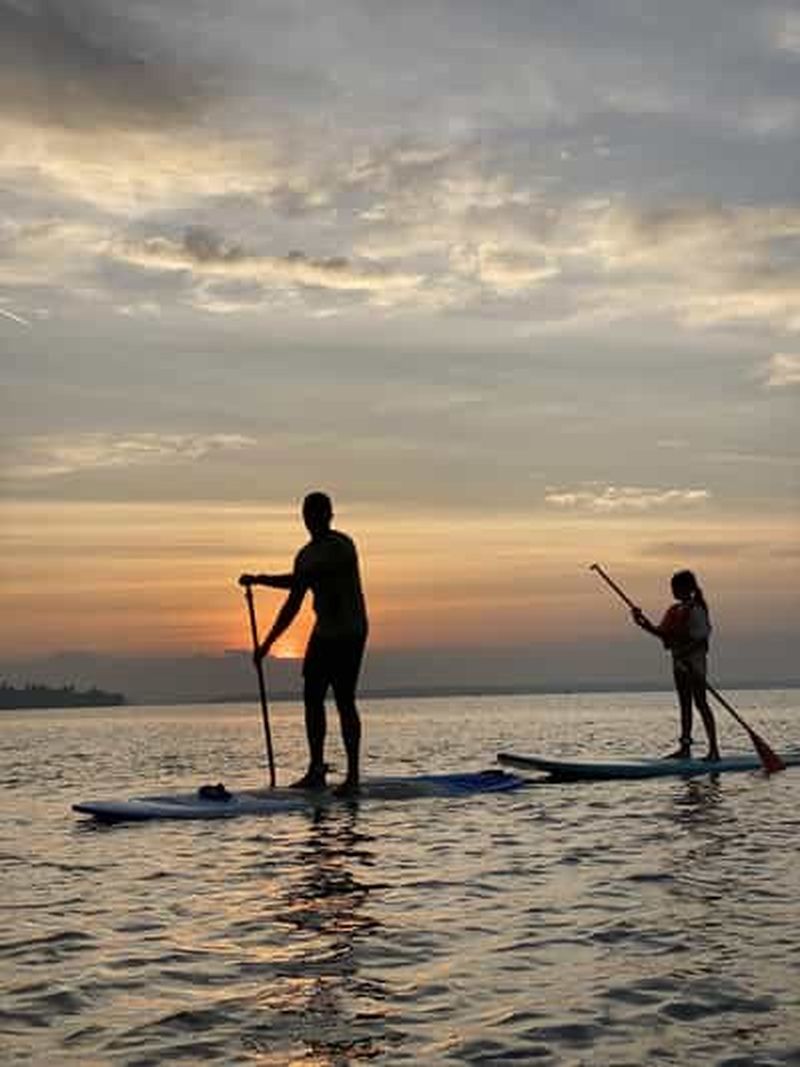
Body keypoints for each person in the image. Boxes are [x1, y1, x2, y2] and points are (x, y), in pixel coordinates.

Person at [239, 492, 368, 796]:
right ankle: (316, 770)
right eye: (307, 515)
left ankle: (353, 777)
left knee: (344, 700)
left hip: (350, 632)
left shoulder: (341, 546)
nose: (312, 520)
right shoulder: (304, 554)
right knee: (312, 697)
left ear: (329, 515)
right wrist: (267, 644)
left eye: (318, 514)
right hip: (323, 632)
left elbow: (301, 580)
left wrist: (259, 579)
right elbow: (293, 604)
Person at [631, 570, 720, 761]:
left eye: (675, 587)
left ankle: (714, 750)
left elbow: (702, 638)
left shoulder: (697, 609)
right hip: (679, 664)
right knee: (685, 705)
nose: (672, 590)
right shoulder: (674, 610)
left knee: (700, 703)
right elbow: (662, 634)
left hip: (694, 664)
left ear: (686, 589)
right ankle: (685, 748)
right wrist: (641, 622)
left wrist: (686, 655)